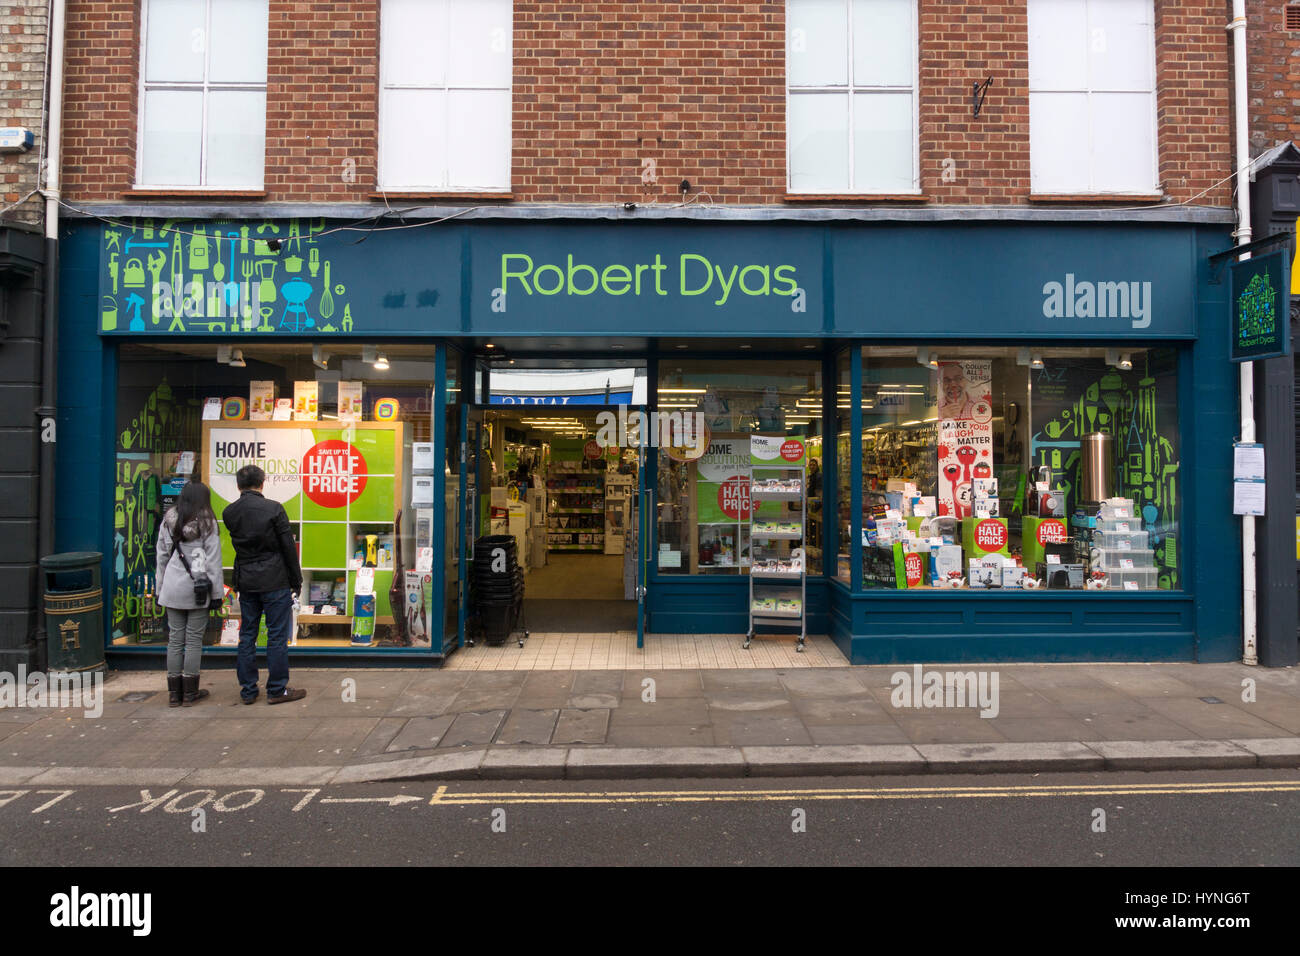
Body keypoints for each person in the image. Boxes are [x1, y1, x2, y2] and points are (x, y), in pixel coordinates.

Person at [222, 464, 307, 704]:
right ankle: (277, 689)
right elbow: (288, 548)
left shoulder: (230, 513)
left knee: (247, 635)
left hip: (247, 580)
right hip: (274, 579)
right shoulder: (273, 509)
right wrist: (296, 579)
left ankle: (248, 690)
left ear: (238, 485)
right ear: (262, 483)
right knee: (276, 636)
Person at [156, 480, 223, 707]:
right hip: (198, 587)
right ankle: (190, 693)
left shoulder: (169, 520)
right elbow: (213, 561)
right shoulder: (207, 522)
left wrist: (159, 589)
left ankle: (174, 694)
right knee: (193, 640)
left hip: (172, 587)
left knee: (175, 640)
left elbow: (162, 557)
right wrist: (216, 593)